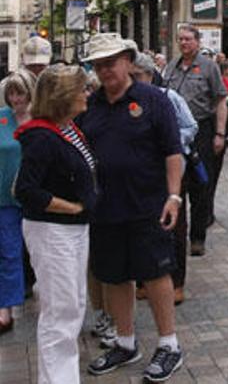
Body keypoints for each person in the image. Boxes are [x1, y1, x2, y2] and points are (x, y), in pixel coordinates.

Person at [79, 34, 185, 382]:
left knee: (155, 274)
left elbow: (173, 151)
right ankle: (125, 343)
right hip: (105, 208)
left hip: (148, 206)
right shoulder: (90, 106)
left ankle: (169, 345)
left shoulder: (153, 100)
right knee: (114, 276)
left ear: (128, 60)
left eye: (112, 61)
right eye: (99, 63)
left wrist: (173, 197)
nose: (106, 69)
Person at [14, 65, 95, 383]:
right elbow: (27, 190)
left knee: (71, 306)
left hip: (71, 230)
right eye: (80, 89)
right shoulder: (42, 136)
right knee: (59, 312)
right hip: (53, 231)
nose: (86, 93)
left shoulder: (66, 128)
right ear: (63, 97)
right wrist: (71, 208)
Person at [131, 51, 197, 305]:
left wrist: (167, 142)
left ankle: (177, 282)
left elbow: (191, 127)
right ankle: (144, 279)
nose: (134, 82)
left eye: (138, 77)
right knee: (142, 226)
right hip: (139, 176)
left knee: (176, 228)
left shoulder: (169, 98)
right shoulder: (126, 102)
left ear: (150, 75)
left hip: (171, 174)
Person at [164, 25, 228, 257]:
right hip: (177, 132)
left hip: (202, 130)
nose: (184, 43)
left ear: (198, 42)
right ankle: (176, 231)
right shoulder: (170, 67)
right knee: (176, 183)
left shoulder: (209, 67)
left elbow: (221, 100)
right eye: (180, 39)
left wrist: (220, 134)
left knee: (202, 184)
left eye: (188, 39)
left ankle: (198, 237)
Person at [0, 72, 34, 335]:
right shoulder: (1, 118)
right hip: (5, 198)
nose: (15, 99)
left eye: (19, 93)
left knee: (42, 253)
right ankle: (6, 309)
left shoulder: (39, 120)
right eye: (11, 93)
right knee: (9, 253)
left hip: (36, 198)